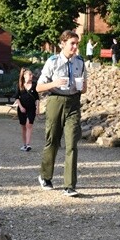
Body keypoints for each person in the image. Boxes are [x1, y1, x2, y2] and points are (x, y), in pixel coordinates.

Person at [36, 30, 87, 197]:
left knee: (72, 143)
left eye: (77, 44)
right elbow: (39, 87)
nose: (75, 47)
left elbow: (84, 88)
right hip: (55, 101)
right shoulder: (53, 62)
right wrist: (55, 83)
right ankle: (45, 176)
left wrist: (82, 87)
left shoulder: (80, 62)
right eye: (72, 43)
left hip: (73, 102)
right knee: (53, 140)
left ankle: (69, 185)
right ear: (62, 44)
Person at [16, 67, 40, 151]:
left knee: (29, 125)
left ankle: (28, 144)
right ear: (24, 76)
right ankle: (24, 144)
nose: (31, 76)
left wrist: (37, 108)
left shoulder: (35, 85)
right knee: (23, 127)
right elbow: (17, 98)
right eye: (29, 74)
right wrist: (21, 107)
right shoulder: (20, 85)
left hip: (31, 108)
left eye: (31, 74)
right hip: (22, 108)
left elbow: (37, 98)